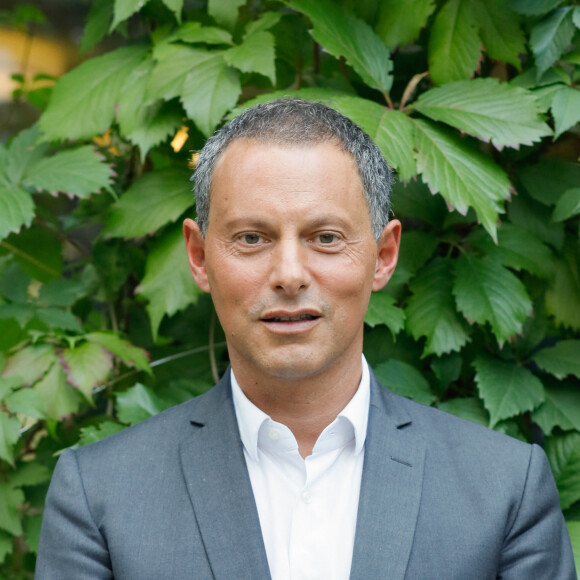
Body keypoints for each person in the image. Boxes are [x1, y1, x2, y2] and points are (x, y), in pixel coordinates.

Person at [36, 98, 575, 579]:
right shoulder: (99, 495)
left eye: (325, 238)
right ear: (199, 257)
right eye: (251, 238)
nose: (289, 273)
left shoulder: (504, 488)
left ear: (383, 256)